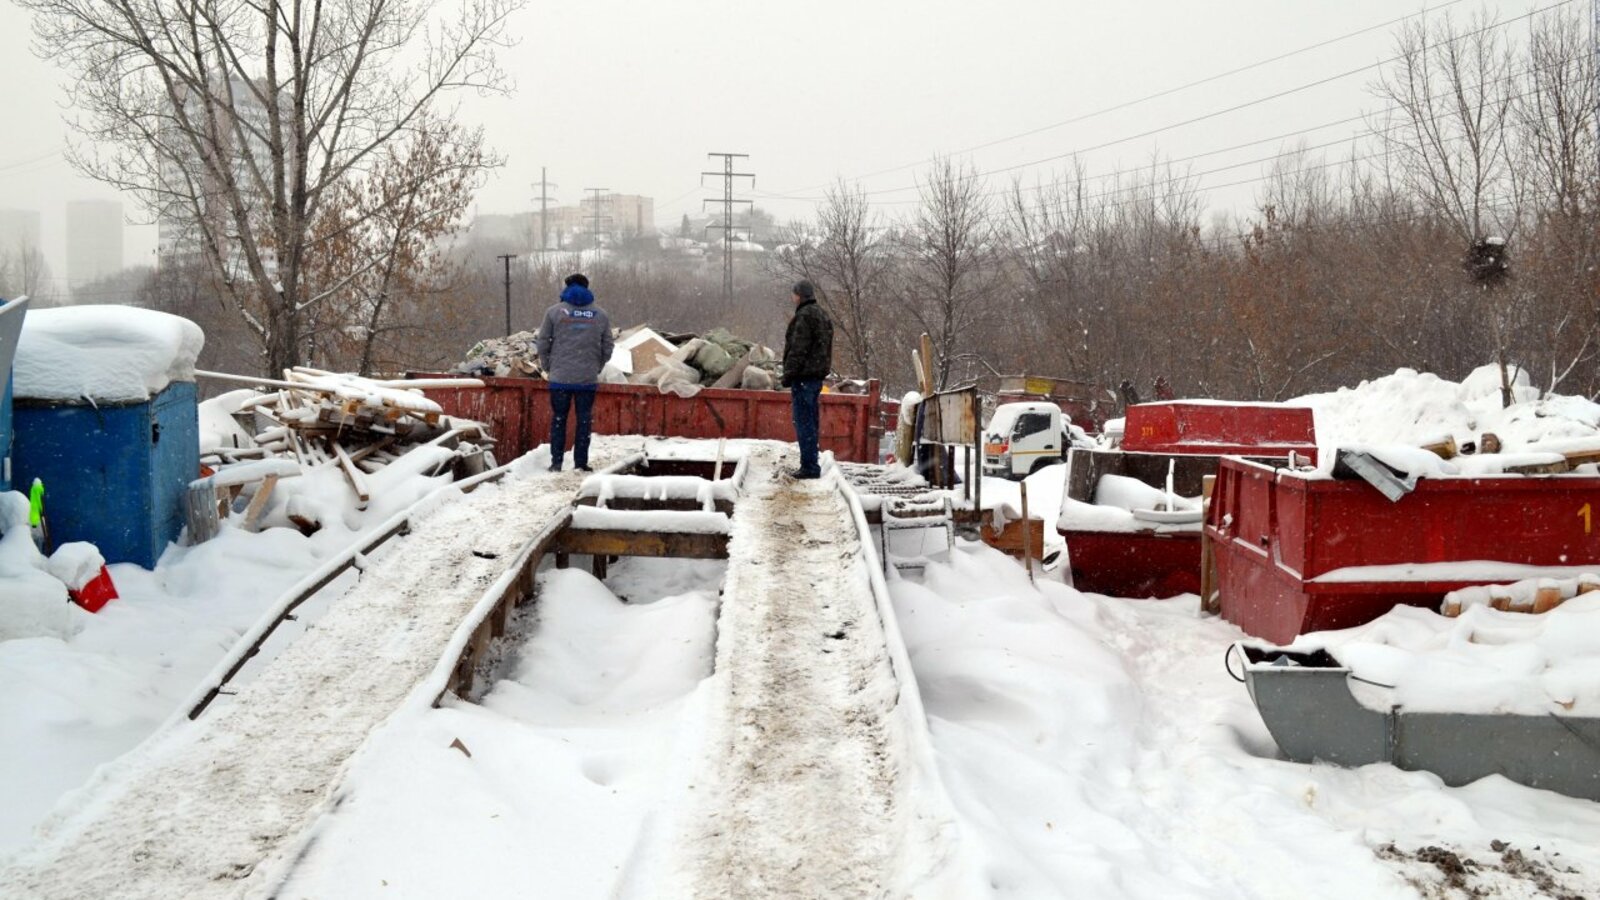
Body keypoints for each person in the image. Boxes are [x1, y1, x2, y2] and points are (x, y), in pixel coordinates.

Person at [536, 273, 613, 472]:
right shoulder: (600, 315)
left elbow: (543, 341)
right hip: (586, 379)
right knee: (584, 421)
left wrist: (548, 365)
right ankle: (580, 463)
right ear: (588, 289)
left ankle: (556, 462)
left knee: (559, 419)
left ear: (565, 289)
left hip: (560, 379)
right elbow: (608, 346)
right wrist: (597, 366)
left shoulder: (553, 312)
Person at [781, 280, 833, 479]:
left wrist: (788, 374)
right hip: (816, 377)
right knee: (811, 422)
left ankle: (809, 467)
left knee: (804, 423)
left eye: (793, 293)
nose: (792, 297)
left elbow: (798, 349)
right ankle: (811, 462)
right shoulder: (822, 314)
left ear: (799, 295)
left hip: (803, 377)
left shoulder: (804, 316)